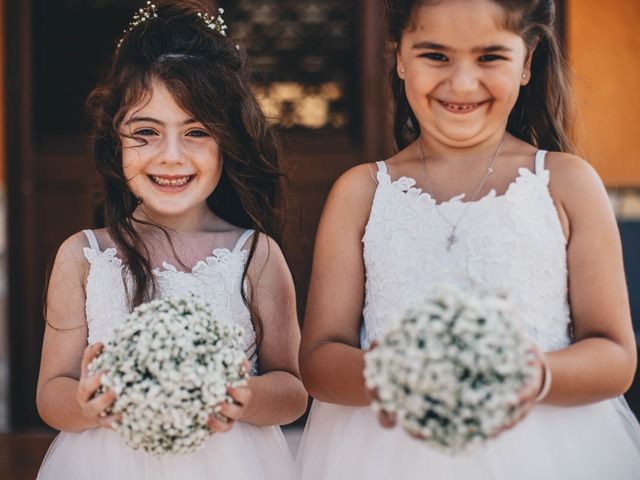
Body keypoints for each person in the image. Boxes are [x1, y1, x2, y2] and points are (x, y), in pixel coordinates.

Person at [297, 0, 640, 478]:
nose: (461, 83)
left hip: (545, 453)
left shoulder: (567, 184)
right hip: (385, 455)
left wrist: (532, 375)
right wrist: (395, 375)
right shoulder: (360, 193)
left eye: (489, 57)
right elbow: (318, 360)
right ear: (399, 56)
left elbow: (616, 355)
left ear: (527, 60)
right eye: (435, 56)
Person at [36, 2, 307, 478]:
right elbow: (51, 395)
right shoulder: (83, 256)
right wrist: (87, 406)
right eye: (146, 132)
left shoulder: (255, 256)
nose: (170, 156)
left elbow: (292, 390)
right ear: (114, 139)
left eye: (196, 132)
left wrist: (245, 397)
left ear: (228, 141)